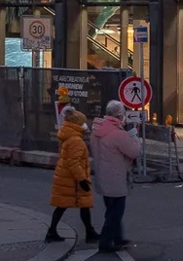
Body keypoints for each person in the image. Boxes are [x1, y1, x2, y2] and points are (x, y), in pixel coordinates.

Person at [91, 100, 140, 254]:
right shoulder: (118, 134)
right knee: (115, 212)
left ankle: (118, 237)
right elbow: (134, 152)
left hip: (102, 175)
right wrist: (135, 138)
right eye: (123, 114)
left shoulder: (97, 130)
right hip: (116, 177)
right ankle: (105, 242)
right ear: (119, 115)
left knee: (111, 209)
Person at [46, 109, 99, 245]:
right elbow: (74, 163)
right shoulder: (76, 140)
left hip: (65, 177)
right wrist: (82, 179)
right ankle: (89, 233)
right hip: (73, 180)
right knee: (82, 205)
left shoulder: (67, 136)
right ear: (77, 124)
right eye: (83, 122)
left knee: (63, 205)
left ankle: (53, 231)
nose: (85, 124)